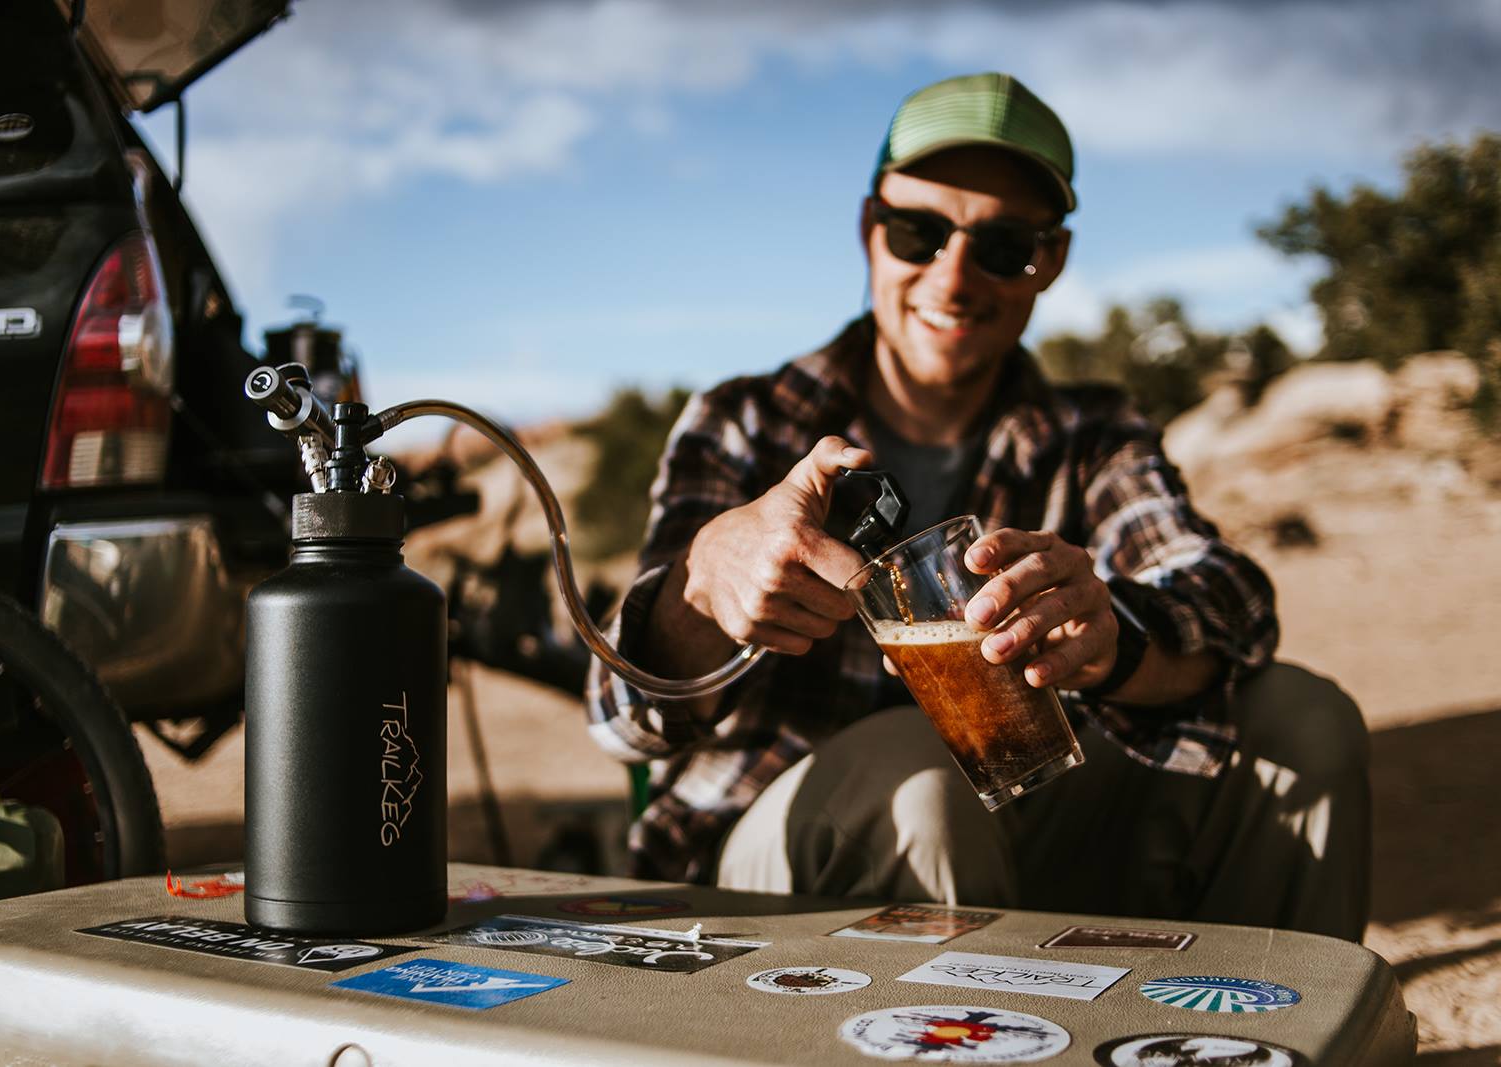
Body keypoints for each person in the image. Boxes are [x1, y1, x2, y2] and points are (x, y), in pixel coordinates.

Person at [585, 72, 1369, 941]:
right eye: (919, 233)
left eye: (1003, 246)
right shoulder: (745, 420)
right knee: (919, 781)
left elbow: (1227, 594)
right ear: (869, 228)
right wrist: (701, 587)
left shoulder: (1092, 433)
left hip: (1020, 821)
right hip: (774, 873)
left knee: (1304, 720)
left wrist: (1112, 640)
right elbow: (618, 721)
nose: (953, 279)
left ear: (1051, 261)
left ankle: (1262, 1011)